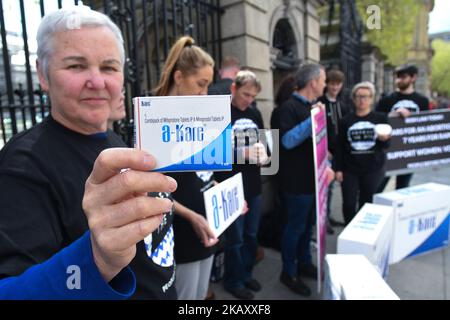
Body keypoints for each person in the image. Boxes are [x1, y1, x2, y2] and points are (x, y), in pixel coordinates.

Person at [0, 6, 177, 299]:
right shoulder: (22, 166)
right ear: (42, 75)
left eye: (108, 67)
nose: (97, 82)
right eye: (75, 66)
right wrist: (97, 259)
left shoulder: (114, 140)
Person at [153, 35, 220, 300]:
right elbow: (153, 190)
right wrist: (191, 216)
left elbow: (204, 172)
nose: (205, 93)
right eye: (200, 85)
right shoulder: (154, 120)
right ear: (179, 77)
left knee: (201, 293)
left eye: (208, 86)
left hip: (207, 221)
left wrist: (223, 191)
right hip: (181, 229)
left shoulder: (198, 115)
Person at [215, 70, 268, 300]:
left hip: (254, 184)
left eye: (253, 96)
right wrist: (241, 153)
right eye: (245, 94)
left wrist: (265, 155)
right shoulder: (220, 113)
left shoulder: (255, 113)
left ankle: (246, 274)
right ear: (234, 89)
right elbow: (212, 153)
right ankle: (233, 281)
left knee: (251, 234)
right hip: (230, 185)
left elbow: (267, 146)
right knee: (234, 239)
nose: (249, 100)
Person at [277, 63, 326, 297]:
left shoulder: (313, 107)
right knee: (294, 228)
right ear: (313, 82)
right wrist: (313, 119)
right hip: (296, 183)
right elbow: (287, 141)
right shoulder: (289, 108)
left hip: (313, 181)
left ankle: (304, 262)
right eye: (323, 80)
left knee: (307, 227)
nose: (325, 85)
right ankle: (289, 271)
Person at [334, 82, 391, 225]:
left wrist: (384, 140)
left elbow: (387, 145)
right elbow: (339, 146)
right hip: (350, 169)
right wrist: (338, 169)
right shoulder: (345, 121)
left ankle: (363, 231)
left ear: (371, 99)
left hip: (373, 168)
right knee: (348, 204)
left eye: (365, 97)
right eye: (359, 97)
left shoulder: (381, 119)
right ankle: (349, 229)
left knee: (367, 203)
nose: (362, 100)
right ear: (353, 99)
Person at [376, 64, 429, 190]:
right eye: (397, 77)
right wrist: (391, 115)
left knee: (403, 188)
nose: (399, 80)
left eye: (403, 77)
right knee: (377, 187)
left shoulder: (422, 101)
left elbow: (427, 125)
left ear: (413, 78)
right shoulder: (387, 99)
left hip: (409, 152)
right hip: (388, 151)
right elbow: (375, 118)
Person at [317, 69, 350, 233]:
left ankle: (328, 216)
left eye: (338, 84)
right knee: (326, 187)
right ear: (327, 84)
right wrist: (325, 150)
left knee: (333, 186)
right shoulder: (320, 103)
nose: (335, 87)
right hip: (325, 153)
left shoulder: (343, 105)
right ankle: (323, 220)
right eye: (332, 83)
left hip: (339, 152)